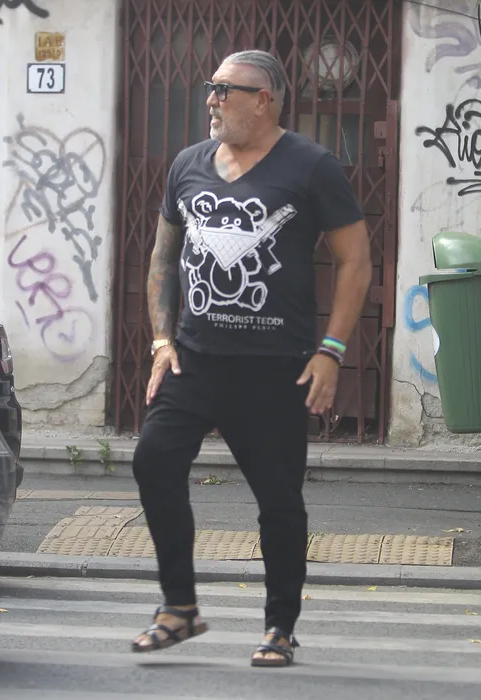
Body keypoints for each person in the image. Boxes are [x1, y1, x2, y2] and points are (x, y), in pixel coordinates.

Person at [131, 49, 372, 667]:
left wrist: (331, 351)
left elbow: (355, 261)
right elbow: (163, 258)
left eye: (224, 89)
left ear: (263, 99)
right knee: (153, 462)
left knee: (279, 501)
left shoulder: (311, 166)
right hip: (194, 361)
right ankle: (179, 608)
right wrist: (162, 341)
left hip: (274, 367)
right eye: (210, 87)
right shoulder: (188, 164)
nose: (211, 99)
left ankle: (280, 627)